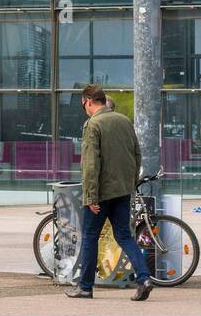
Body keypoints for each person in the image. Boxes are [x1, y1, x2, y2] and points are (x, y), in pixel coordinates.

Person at [66, 85, 154, 302]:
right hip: (122, 191)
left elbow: (90, 165)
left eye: (83, 104)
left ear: (88, 101)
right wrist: (130, 184)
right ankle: (144, 278)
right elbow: (136, 154)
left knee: (90, 237)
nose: (84, 108)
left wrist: (91, 197)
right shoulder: (123, 120)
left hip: (101, 193)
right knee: (124, 235)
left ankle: (85, 287)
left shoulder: (93, 124)